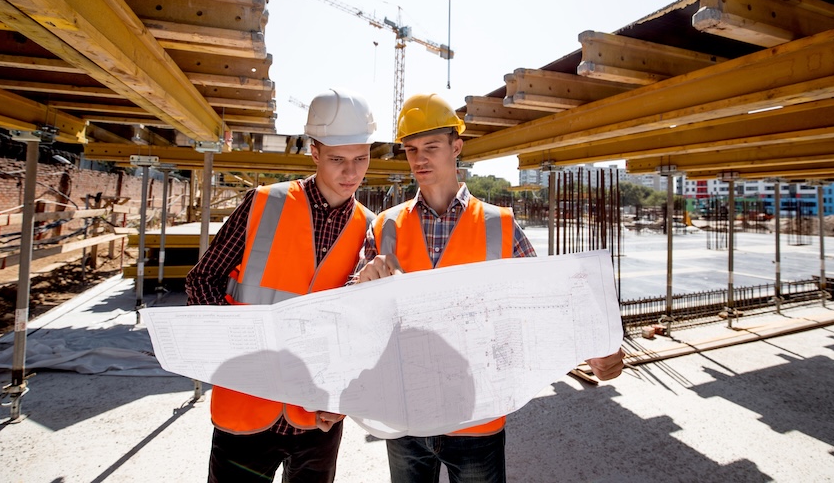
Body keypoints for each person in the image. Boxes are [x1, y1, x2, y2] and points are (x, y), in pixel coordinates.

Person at [353, 93, 625, 483]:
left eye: (431, 147)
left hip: (477, 414)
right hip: (406, 414)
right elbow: (352, 308)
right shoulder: (384, 225)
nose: (419, 159)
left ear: (456, 147)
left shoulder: (499, 225)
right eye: (411, 149)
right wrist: (360, 283)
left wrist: (596, 345)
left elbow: (547, 303)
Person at [185, 88, 378, 483]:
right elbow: (202, 280)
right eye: (338, 160)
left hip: (318, 418)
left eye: (361, 159)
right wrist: (239, 350)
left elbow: (361, 329)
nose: (351, 173)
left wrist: (347, 393)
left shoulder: (369, 227)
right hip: (245, 409)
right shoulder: (263, 203)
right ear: (314, 152)